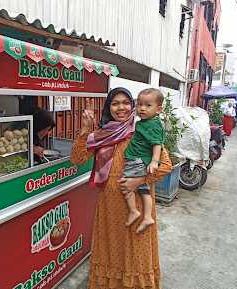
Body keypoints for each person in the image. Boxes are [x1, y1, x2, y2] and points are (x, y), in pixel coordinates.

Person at [71, 87, 172, 289]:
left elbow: (166, 165)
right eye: (115, 103)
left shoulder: (142, 130)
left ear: (132, 106)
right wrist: (85, 130)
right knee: (111, 251)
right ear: (109, 107)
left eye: (126, 102)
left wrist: (139, 180)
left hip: (137, 207)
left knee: (136, 252)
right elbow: (77, 159)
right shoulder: (101, 135)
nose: (121, 107)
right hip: (109, 208)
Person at [122, 88, 166, 233]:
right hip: (138, 161)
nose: (142, 108)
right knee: (144, 190)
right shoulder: (144, 123)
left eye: (148, 105)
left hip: (137, 161)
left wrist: (154, 161)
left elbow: (157, 144)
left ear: (159, 109)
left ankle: (134, 210)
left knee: (126, 186)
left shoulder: (152, 125)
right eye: (139, 104)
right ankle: (147, 216)